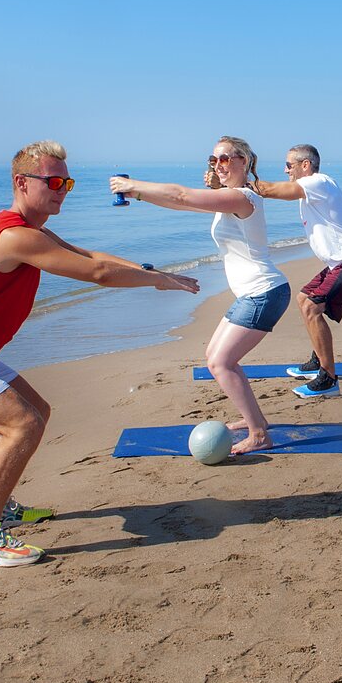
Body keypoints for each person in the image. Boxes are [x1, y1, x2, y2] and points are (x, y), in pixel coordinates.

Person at [0, 141, 200, 568]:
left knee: (37, 411)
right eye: (54, 181)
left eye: (67, 182)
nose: (62, 190)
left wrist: (151, 272)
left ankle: (1, 507)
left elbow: (88, 255)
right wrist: (156, 282)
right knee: (22, 425)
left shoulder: (30, 231)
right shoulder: (16, 237)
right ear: (22, 183)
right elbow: (95, 273)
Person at [110, 136, 290, 453]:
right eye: (213, 159)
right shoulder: (228, 200)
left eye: (225, 158)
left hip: (264, 292)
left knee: (222, 363)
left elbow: (182, 194)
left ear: (244, 161)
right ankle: (254, 420)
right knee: (215, 359)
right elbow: (180, 201)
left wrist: (132, 182)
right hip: (254, 293)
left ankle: (259, 434)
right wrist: (137, 193)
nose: (218, 165)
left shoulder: (242, 198)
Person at [253, 144, 342, 398]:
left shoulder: (319, 182)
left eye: (289, 165)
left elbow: (272, 190)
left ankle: (328, 378)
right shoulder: (312, 189)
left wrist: (242, 177)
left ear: (305, 165)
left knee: (311, 307)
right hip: (341, 263)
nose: (285, 170)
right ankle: (318, 361)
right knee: (303, 299)